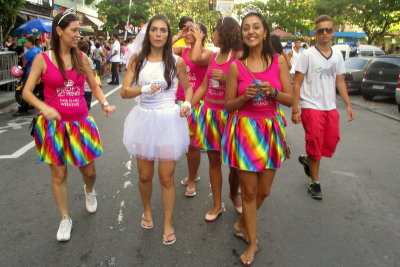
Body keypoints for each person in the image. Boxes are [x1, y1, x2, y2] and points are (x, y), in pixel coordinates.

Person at [22, 8, 116, 242]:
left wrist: (104, 103)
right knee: (59, 174)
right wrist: (43, 107)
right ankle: (65, 218)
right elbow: (26, 92)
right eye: (74, 30)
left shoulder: (81, 58)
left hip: (81, 125)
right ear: (59, 31)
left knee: (90, 172)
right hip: (53, 128)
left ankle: (89, 190)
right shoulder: (43, 59)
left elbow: (94, 86)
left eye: (79, 30)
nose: (78, 34)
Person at [223, 12, 293, 265]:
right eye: (245, 28)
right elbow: (228, 106)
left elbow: (291, 98)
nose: (250, 31)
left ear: (265, 32)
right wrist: (244, 98)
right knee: (249, 193)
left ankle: (242, 223)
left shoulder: (279, 62)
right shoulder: (236, 66)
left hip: (271, 130)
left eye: (256, 27)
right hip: (244, 131)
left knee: (264, 191)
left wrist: (273, 92)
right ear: (242, 34)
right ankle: (252, 242)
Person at [121, 14, 193, 245]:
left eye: (163, 30)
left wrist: (187, 104)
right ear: (148, 33)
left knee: (167, 177)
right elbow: (124, 91)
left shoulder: (176, 61)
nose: (159, 34)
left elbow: (188, 87)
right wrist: (143, 90)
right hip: (143, 120)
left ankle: (168, 223)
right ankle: (148, 211)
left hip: (168, 121)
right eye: (155, 30)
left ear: (168, 34)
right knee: (144, 175)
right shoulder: (136, 60)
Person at [291, 15, 354, 200]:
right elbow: (297, 83)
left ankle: (308, 161)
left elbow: (340, 82)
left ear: (333, 32)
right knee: (315, 143)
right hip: (311, 106)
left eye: (328, 30)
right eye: (321, 30)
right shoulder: (307, 55)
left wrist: (349, 104)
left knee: (331, 141)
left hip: (330, 106)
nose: (324, 33)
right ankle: (315, 183)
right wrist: (296, 109)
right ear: (316, 33)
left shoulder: (337, 56)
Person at [190, 17, 243, 220]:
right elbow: (203, 86)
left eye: (215, 30)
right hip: (210, 114)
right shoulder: (213, 56)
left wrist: (229, 77)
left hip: (230, 115)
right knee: (213, 160)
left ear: (225, 32)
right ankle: (216, 204)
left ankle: (233, 195)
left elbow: (247, 85)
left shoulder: (238, 55)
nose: (212, 34)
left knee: (234, 164)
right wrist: (189, 105)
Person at [173, 22, 213, 197]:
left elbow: (197, 59)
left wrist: (196, 39)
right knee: (181, 144)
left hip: (196, 104)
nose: (188, 32)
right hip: (178, 101)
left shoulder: (208, 53)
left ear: (202, 34)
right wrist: (179, 36)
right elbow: (161, 50)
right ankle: (193, 174)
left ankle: (191, 179)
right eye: (187, 29)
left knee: (192, 146)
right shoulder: (182, 50)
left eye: (193, 30)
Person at [13, 36, 41, 116]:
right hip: (38, 73)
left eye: (26, 42)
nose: (25, 44)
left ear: (30, 42)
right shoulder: (38, 50)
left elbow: (24, 65)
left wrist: (23, 59)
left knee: (25, 91)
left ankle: (23, 109)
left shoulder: (30, 52)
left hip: (29, 73)